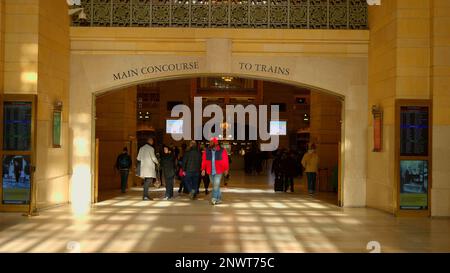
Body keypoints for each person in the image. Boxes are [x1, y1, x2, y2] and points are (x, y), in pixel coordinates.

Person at [201, 137, 229, 205]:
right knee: (215, 185)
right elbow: (204, 161)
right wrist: (203, 169)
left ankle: (214, 198)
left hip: (219, 171)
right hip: (210, 171)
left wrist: (226, 169)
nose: (213, 148)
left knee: (216, 185)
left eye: (213, 145)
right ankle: (219, 198)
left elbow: (225, 161)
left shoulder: (222, 150)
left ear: (216, 144)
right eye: (211, 145)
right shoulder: (206, 151)